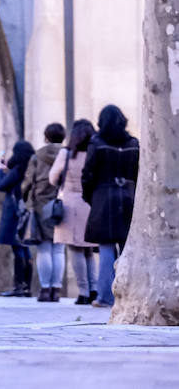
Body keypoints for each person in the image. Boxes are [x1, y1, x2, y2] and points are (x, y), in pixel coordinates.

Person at [81, 105, 139, 309]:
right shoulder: (134, 143)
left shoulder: (97, 143)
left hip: (103, 197)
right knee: (128, 250)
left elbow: (87, 175)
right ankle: (131, 295)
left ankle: (105, 296)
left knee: (105, 249)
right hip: (129, 198)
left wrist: (91, 197)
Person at [49, 119, 98, 305]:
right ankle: (94, 289)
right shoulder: (95, 152)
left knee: (75, 248)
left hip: (70, 203)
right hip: (90, 203)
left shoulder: (67, 153)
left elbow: (53, 177)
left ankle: (83, 291)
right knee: (89, 249)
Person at [22, 123, 66, 301]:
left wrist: (25, 199)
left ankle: (45, 289)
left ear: (46, 136)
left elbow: (27, 182)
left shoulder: (37, 156)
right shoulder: (68, 154)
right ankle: (57, 289)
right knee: (59, 249)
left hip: (40, 204)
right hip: (63, 203)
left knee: (44, 250)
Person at [0, 139, 36, 298]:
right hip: (26, 211)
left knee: (17, 247)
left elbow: (1, 185)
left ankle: (18, 286)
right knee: (25, 247)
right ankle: (27, 287)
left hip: (13, 213)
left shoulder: (18, 168)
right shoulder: (29, 168)